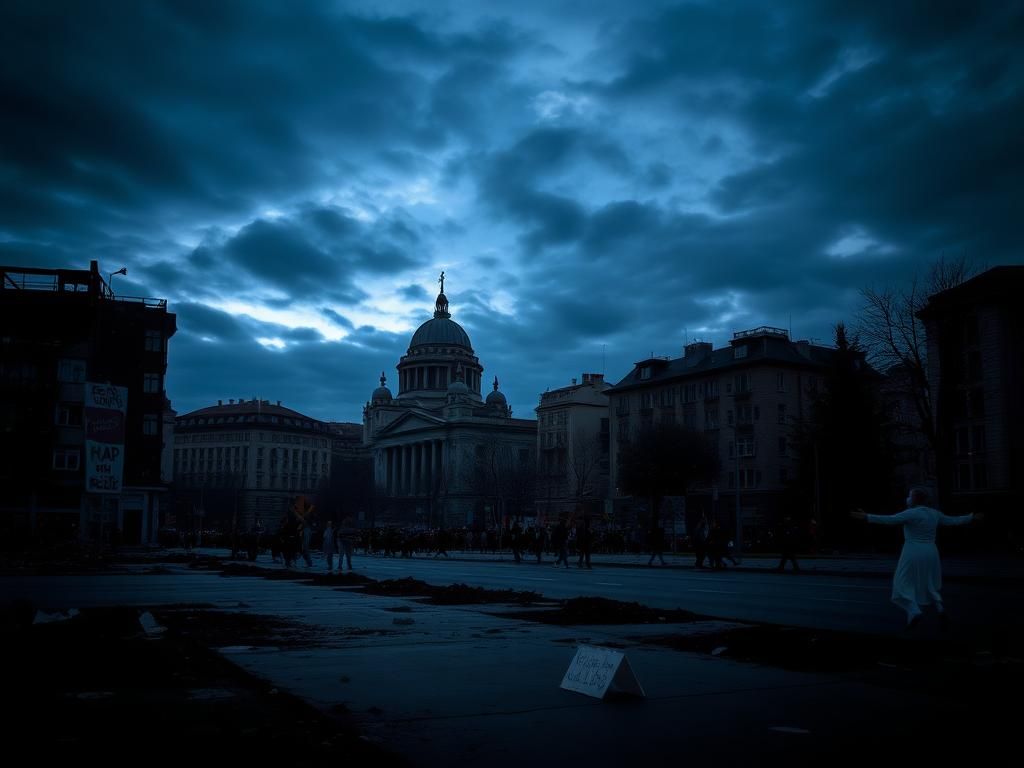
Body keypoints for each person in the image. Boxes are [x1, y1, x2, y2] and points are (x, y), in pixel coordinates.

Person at [851, 487, 982, 629]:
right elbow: (953, 520)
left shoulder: (911, 513)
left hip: (913, 551)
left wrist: (867, 517)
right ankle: (940, 609)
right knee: (928, 581)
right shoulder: (934, 514)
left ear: (914, 499)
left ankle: (914, 611)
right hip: (931, 552)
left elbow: (889, 519)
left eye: (909, 496)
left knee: (901, 582)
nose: (907, 498)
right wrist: (971, 517)